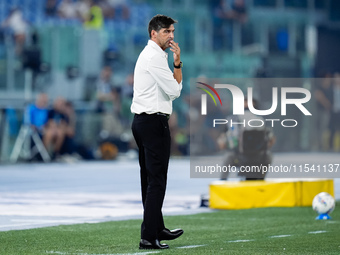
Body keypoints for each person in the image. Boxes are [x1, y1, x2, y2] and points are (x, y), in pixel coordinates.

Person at [131, 14, 184, 250]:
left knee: (150, 180)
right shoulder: (154, 57)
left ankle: (157, 227)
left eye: (172, 31)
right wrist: (178, 64)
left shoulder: (152, 55)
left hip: (144, 122)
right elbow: (174, 90)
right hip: (153, 123)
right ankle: (148, 236)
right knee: (157, 181)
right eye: (166, 32)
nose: (171, 35)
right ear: (154, 33)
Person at [219, 98, 275, 180]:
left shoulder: (262, 120)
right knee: (229, 157)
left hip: (257, 156)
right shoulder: (232, 121)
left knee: (268, 156)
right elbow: (222, 142)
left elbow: (271, 139)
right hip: (239, 155)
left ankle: (260, 179)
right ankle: (222, 182)